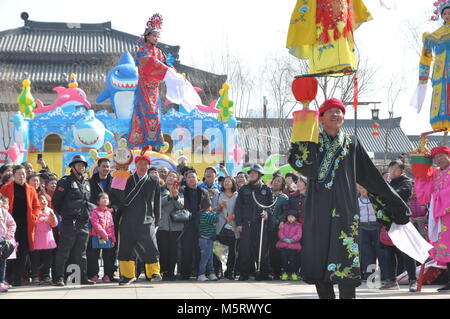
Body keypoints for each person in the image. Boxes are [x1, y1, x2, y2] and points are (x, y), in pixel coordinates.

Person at [288, 98, 410, 299]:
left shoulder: (352, 142)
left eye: (339, 111)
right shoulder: (313, 142)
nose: (336, 114)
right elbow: (301, 163)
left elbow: (370, 175)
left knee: (345, 257)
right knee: (318, 255)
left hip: (345, 208)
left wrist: (393, 200)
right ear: (321, 117)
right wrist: (303, 123)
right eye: (330, 111)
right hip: (317, 208)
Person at [286, 0, 371, 76]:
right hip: (320, 13)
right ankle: (327, 64)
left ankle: (343, 62)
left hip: (339, 12)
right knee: (323, 34)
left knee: (340, 32)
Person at [117, 152, 161, 285]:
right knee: (126, 248)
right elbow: (117, 197)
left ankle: (154, 272)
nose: (142, 166)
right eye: (140, 163)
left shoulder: (154, 180)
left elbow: (157, 201)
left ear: (149, 166)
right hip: (128, 218)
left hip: (147, 219)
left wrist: (157, 220)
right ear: (135, 165)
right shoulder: (127, 179)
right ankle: (127, 275)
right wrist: (119, 177)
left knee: (150, 246)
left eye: (145, 164)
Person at [52, 155, 96, 286]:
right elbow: (56, 201)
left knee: (81, 252)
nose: (81, 167)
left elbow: (88, 201)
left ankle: (82, 277)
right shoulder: (65, 181)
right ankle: (58, 277)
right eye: (78, 165)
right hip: (69, 222)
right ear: (72, 167)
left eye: (83, 165)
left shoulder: (87, 182)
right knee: (64, 251)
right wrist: (65, 214)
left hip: (83, 222)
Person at [414, 146, 450, 292]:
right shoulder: (436, 173)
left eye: (442, 156)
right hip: (441, 216)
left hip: (447, 211)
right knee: (446, 247)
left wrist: (439, 195)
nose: (439, 159)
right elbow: (424, 183)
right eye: (436, 158)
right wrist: (421, 162)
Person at [0, 165, 40, 286]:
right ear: (13, 175)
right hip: (9, 225)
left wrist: (33, 217)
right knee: (7, 250)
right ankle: (6, 277)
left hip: (25, 225)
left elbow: (36, 206)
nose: (22, 176)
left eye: (23, 174)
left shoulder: (31, 189)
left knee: (23, 252)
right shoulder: (6, 188)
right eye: (18, 174)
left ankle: (18, 278)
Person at [380, 160, 416, 292]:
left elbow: (396, 196)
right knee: (389, 253)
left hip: (402, 222)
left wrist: (383, 191)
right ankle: (391, 281)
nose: (392, 171)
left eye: (396, 169)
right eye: (391, 168)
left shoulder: (406, 182)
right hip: (389, 221)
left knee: (407, 252)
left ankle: (413, 280)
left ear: (402, 171)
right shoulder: (387, 183)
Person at [412, 3, 450, 130]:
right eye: (445, 13)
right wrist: (423, 77)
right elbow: (426, 57)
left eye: (449, 13)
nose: (447, 16)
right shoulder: (434, 36)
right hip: (441, 73)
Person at [235, 164, 273, 281]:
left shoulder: (266, 190)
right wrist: (239, 223)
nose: (251, 175)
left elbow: (271, 206)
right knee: (245, 250)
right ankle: (244, 273)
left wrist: (267, 213)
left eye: (254, 173)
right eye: (250, 173)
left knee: (261, 249)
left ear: (259, 175)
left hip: (260, 224)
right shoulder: (243, 189)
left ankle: (263, 273)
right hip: (246, 223)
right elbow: (238, 208)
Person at [180, 170, 209, 280]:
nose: (191, 179)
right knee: (186, 250)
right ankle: (184, 273)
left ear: (198, 179)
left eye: (193, 177)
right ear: (186, 180)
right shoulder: (182, 191)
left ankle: (199, 272)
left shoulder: (203, 191)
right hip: (186, 225)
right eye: (189, 178)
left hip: (200, 224)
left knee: (199, 250)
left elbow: (207, 207)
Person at [157, 170, 184, 281]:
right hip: (162, 225)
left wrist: (175, 196)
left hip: (176, 226)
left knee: (173, 250)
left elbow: (181, 206)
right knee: (163, 250)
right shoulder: (160, 189)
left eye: (174, 176)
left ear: (176, 180)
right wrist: (168, 197)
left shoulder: (180, 191)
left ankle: (171, 272)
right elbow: (157, 204)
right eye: (169, 176)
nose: (171, 178)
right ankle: (164, 272)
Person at [357, 184, 387, 283]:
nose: (362, 190)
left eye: (363, 187)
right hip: (363, 228)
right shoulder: (357, 201)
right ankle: (370, 276)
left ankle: (385, 275)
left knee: (381, 252)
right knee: (367, 253)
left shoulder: (375, 199)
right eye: (360, 188)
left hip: (376, 227)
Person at [212, 176, 239, 280]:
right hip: (221, 225)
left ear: (233, 183)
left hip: (233, 225)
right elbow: (214, 210)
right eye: (225, 182)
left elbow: (240, 210)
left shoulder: (237, 195)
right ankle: (218, 271)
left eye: (229, 181)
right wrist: (220, 207)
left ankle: (230, 271)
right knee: (219, 249)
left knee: (232, 250)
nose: (227, 183)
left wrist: (233, 216)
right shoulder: (218, 194)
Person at [87, 193, 116, 283]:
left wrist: (113, 239)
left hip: (107, 238)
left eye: (106, 198)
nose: (105, 200)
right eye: (103, 198)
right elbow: (95, 224)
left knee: (107, 257)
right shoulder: (94, 211)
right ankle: (94, 275)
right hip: (96, 237)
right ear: (98, 201)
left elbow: (111, 227)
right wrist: (104, 234)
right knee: (94, 257)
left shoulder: (109, 213)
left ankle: (107, 275)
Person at [30, 193, 58, 285]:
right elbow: (33, 222)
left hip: (48, 238)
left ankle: (46, 275)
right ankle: (35, 275)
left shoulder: (50, 210)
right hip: (37, 238)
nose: (43, 201)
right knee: (36, 259)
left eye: (45, 199)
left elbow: (54, 224)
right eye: (41, 199)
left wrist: (52, 218)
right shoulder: (35, 211)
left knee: (47, 259)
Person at [267, 176, 289, 280]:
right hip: (266, 226)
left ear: (282, 185)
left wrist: (281, 221)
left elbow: (285, 212)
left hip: (277, 227)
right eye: (275, 180)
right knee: (267, 249)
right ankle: (267, 270)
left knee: (276, 250)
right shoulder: (267, 194)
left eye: (279, 181)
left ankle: (277, 271)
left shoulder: (283, 197)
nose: (276, 182)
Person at [197, 197, 219, 282]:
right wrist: (215, 210)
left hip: (205, 239)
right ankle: (201, 274)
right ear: (209, 206)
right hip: (206, 240)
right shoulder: (207, 214)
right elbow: (216, 218)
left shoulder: (200, 213)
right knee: (205, 258)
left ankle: (211, 273)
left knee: (210, 257)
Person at [276, 212, 302, 281]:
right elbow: (280, 232)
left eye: (292, 217)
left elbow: (299, 235)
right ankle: (284, 273)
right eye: (289, 217)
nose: (290, 218)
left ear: (295, 218)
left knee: (293, 261)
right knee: (284, 260)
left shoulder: (298, 226)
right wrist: (284, 239)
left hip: (293, 247)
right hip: (284, 246)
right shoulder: (284, 225)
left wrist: (292, 240)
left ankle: (293, 273)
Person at [0, 195, 16, 292]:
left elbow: (12, 224)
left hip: (2, 242)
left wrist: (8, 236)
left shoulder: (3, 212)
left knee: (2, 263)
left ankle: (1, 282)